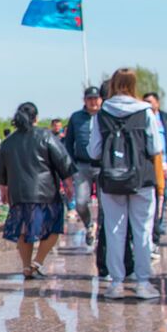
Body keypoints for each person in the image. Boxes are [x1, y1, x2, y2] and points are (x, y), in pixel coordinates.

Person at [88, 69, 163, 300]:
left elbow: (94, 150)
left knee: (113, 230)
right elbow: (155, 148)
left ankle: (116, 283)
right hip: (142, 179)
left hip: (111, 180)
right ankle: (142, 283)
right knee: (142, 231)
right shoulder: (145, 112)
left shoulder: (102, 113)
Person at [0, 102, 73, 280]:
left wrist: (4, 190)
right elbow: (63, 161)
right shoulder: (45, 136)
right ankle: (37, 263)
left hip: (19, 194)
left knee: (23, 232)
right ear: (36, 118)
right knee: (54, 229)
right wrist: (68, 184)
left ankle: (25, 267)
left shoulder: (8, 142)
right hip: (45, 193)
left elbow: (1, 171)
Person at [64, 87, 103, 247]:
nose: (93, 102)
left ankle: (101, 230)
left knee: (104, 203)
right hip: (82, 165)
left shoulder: (106, 116)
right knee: (80, 202)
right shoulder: (77, 117)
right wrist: (71, 165)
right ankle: (89, 225)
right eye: (90, 99)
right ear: (85, 100)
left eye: (96, 98)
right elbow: (68, 142)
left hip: (102, 166)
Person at [143, 92, 167, 246]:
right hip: (149, 167)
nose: (148, 105)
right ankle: (154, 235)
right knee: (154, 201)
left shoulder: (164, 119)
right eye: (145, 102)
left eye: (150, 102)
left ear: (157, 103)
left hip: (165, 163)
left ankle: (156, 231)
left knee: (162, 199)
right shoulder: (141, 119)